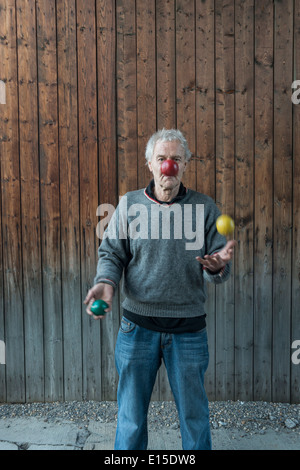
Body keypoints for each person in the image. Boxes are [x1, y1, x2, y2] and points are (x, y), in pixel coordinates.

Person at [84, 129, 236, 450]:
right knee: (131, 417)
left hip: (188, 330)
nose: (169, 166)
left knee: (194, 416)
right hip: (137, 327)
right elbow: (112, 253)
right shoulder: (129, 204)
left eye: (176, 159)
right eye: (162, 159)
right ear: (150, 165)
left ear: (185, 165)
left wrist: (217, 266)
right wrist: (106, 283)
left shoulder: (205, 208)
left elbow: (220, 266)